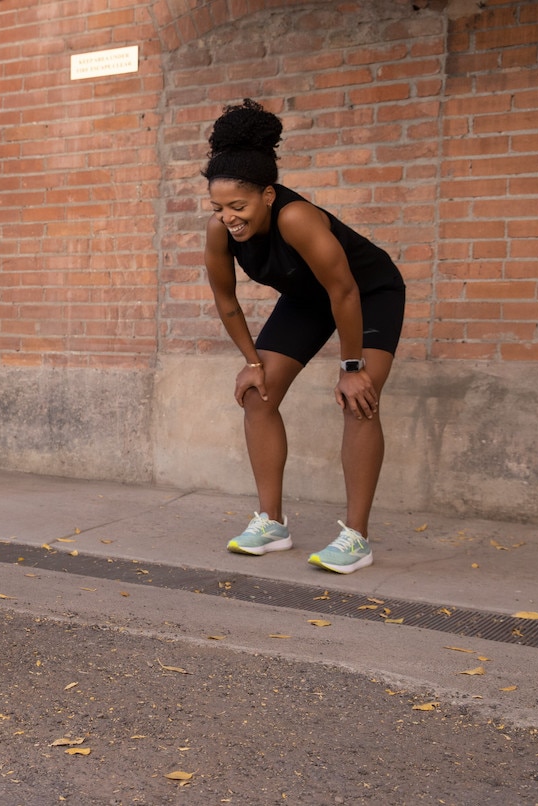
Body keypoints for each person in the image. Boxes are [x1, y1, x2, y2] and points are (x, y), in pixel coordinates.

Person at [201, 99, 406, 574]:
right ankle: (272, 524)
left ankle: (356, 538)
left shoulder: (297, 218)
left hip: (368, 291)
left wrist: (351, 368)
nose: (229, 217)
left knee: (360, 400)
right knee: (259, 395)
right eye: (218, 207)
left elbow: (345, 290)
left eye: (239, 205)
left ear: (268, 196)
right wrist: (253, 363)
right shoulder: (219, 232)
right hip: (307, 297)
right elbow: (227, 302)